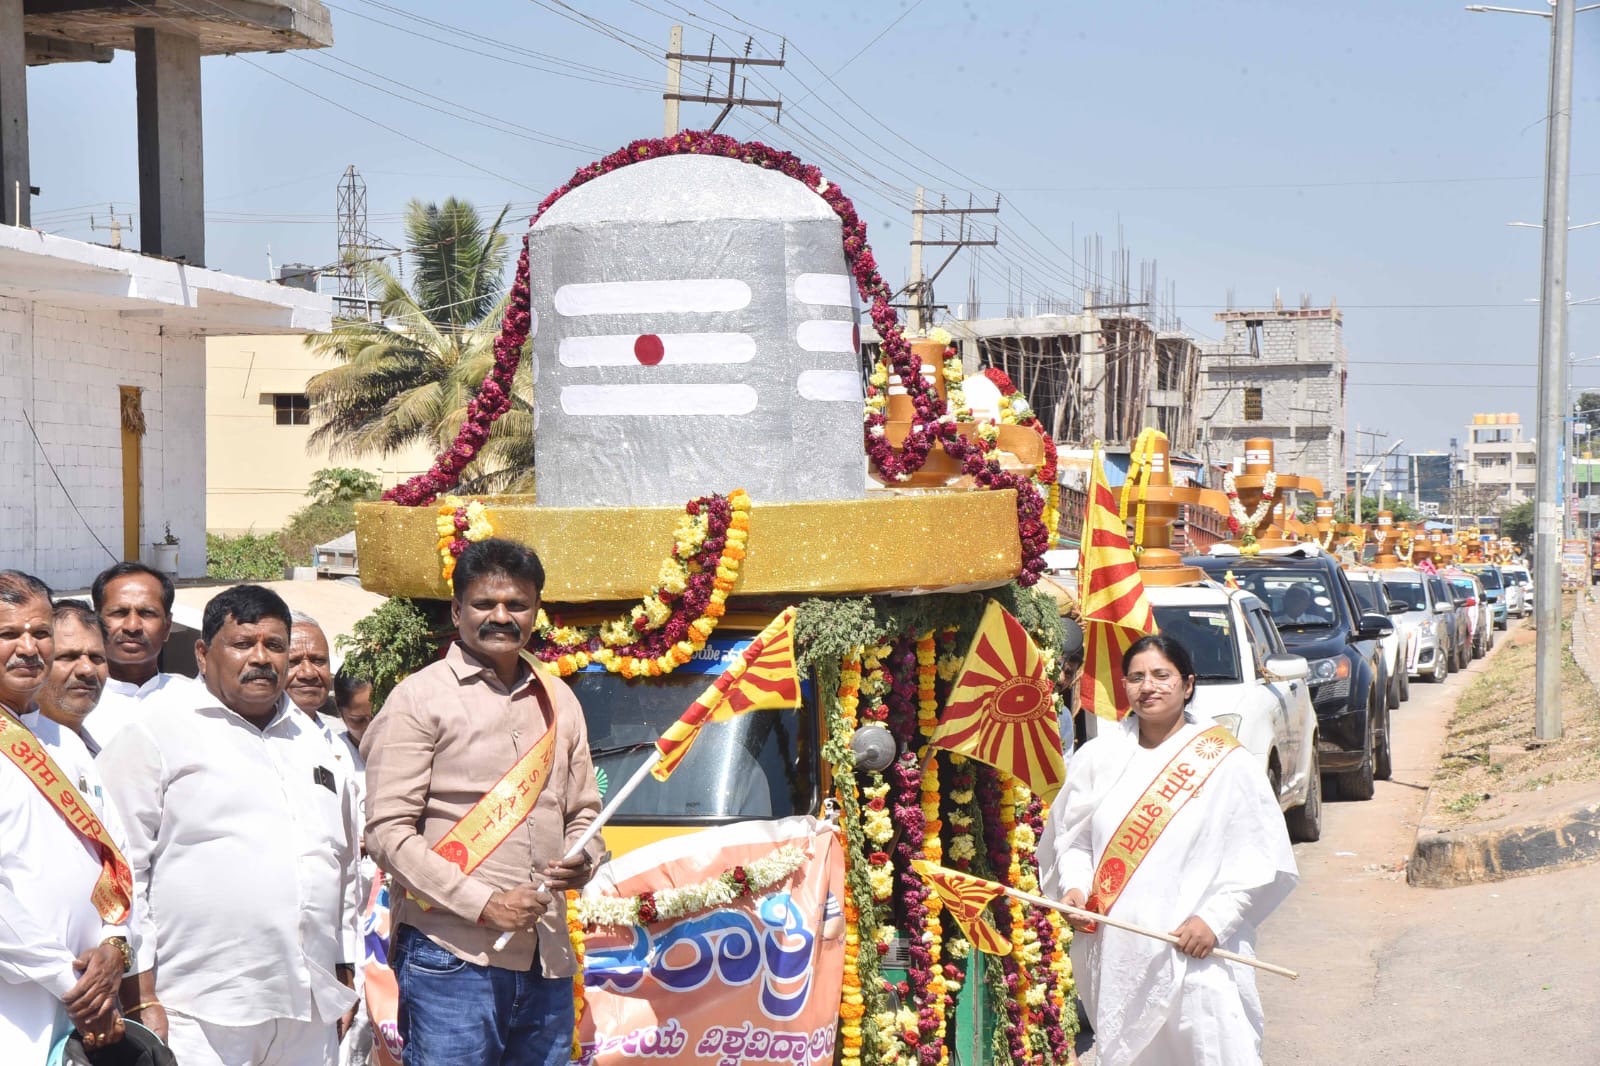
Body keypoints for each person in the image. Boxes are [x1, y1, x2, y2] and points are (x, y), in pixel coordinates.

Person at [363, 538, 604, 1066]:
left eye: (517, 605)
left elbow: (585, 809)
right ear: (457, 611)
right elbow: (386, 833)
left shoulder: (558, 698)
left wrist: (584, 857)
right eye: (484, 604)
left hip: (547, 959)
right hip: (451, 956)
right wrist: (485, 904)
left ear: (536, 612)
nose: (501, 617)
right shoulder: (418, 698)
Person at [99, 584, 361, 1066]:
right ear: (203, 653)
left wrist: (343, 964)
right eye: (243, 644)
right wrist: (139, 993)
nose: (261, 659)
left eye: (275, 646)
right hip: (198, 1009)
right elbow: (120, 870)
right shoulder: (155, 731)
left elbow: (340, 863)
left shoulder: (318, 739)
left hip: (309, 1005)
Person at [1043, 633, 1297, 1066]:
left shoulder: (1226, 762)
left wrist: (1215, 921)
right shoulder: (1097, 759)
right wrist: (1076, 890)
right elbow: (1074, 840)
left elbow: (1258, 855)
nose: (1149, 686)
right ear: (1123, 687)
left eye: (1162, 675)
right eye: (1136, 677)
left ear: (1188, 684)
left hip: (1196, 954)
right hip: (1121, 953)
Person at [0, 571, 137, 1061]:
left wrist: (116, 947)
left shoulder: (68, 744)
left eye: (40, 633)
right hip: (18, 1014)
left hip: (87, 1014)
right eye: (8, 634)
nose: (28, 648)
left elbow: (115, 860)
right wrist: (72, 984)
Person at [89, 563, 188, 745]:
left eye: (147, 613)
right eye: (119, 612)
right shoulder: (69, 704)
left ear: (167, 626)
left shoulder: (194, 702)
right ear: (95, 622)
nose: (132, 626)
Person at [36, 601, 110, 755]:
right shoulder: (8, 755)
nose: (88, 669)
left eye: (96, 658)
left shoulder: (107, 747)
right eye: (68, 657)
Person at [332, 669, 374, 771]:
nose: (370, 728)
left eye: (378, 718)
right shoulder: (332, 754)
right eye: (359, 720)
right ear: (338, 707)